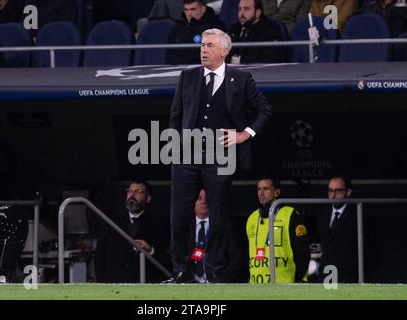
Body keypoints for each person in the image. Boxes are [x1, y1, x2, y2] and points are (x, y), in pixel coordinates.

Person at [165, 28, 273, 283]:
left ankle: (214, 270)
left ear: (224, 50)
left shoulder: (241, 77)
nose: (204, 49)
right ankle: (181, 270)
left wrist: (244, 134)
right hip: (187, 155)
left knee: (219, 216)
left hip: (221, 155)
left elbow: (265, 109)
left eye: (210, 45)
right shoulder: (188, 76)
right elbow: (176, 116)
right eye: (202, 45)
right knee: (179, 215)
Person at [94, 180, 168, 283]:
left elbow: (166, 257)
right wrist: (101, 281)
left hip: (144, 285)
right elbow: (100, 255)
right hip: (113, 285)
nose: (132, 195)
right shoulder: (111, 222)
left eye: (138, 192)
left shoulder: (158, 224)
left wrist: (150, 250)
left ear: (148, 198)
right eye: (130, 191)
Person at [246, 177, 310, 283]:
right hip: (256, 285)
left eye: (266, 189)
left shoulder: (290, 215)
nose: (261, 193)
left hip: (285, 285)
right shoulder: (252, 218)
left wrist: (298, 281)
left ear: (276, 192)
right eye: (259, 189)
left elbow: (303, 253)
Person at [316, 175, 360, 283]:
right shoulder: (322, 214)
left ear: (348, 192)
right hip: (327, 275)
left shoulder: (359, 215)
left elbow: (369, 251)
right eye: (330, 191)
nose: (333, 195)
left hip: (350, 278)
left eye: (338, 191)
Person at [165, 0, 227, 65]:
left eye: (193, 9)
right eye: (186, 10)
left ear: (203, 9)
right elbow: (169, 53)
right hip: (177, 70)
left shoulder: (216, 27)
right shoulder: (177, 28)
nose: (189, 14)